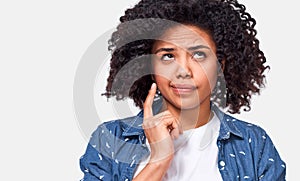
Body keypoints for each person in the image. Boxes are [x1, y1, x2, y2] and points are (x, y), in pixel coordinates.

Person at [79, 0, 286, 180]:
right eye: (168, 56)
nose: (183, 71)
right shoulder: (110, 140)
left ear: (220, 67)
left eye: (198, 55)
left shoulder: (253, 144)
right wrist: (159, 161)